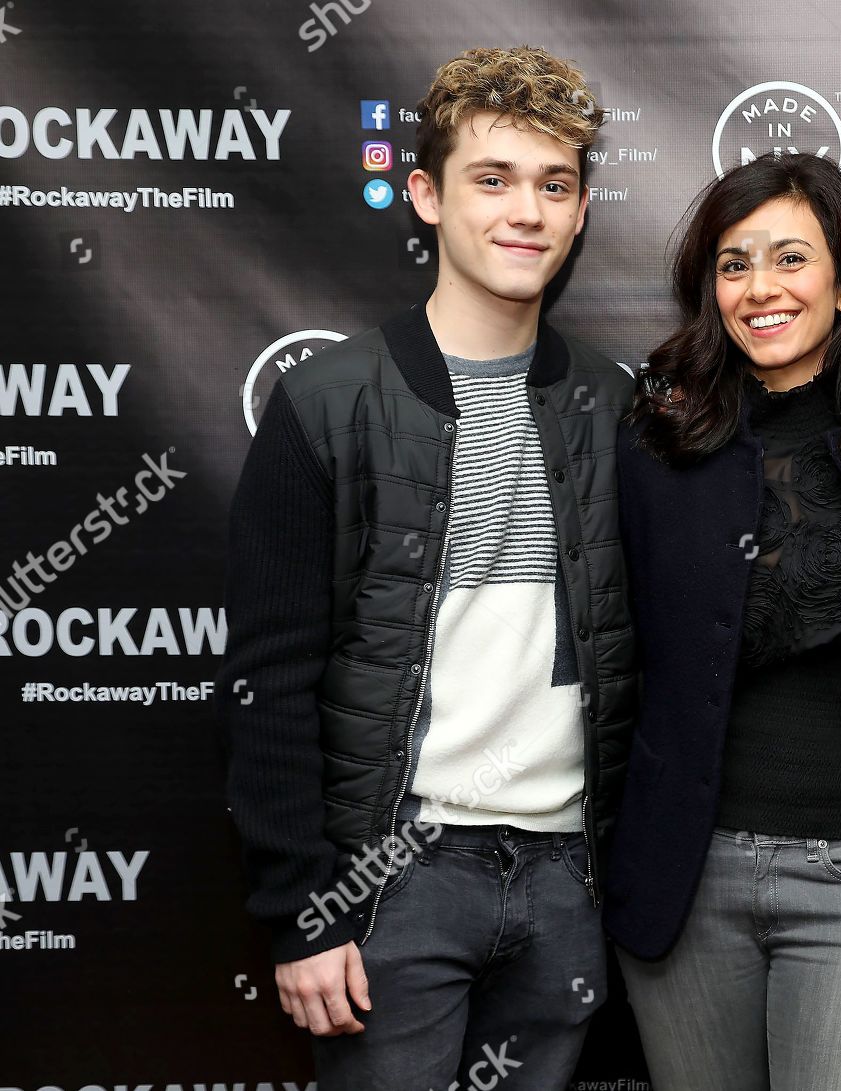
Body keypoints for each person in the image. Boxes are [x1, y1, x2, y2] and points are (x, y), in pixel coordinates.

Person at [215, 45, 636, 1091]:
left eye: (555, 185)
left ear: (583, 210)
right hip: (392, 881)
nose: (526, 212)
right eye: (492, 179)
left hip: (568, 881)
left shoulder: (613, 404)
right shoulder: (328, 401)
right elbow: (269, 680)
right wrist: (305, 909)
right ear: (426, 197)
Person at [603, 152, 841, 1091]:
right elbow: (612, 645)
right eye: (734, 263)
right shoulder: (658, 432)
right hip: (689, 877)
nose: (761, 289)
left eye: (792, 258)